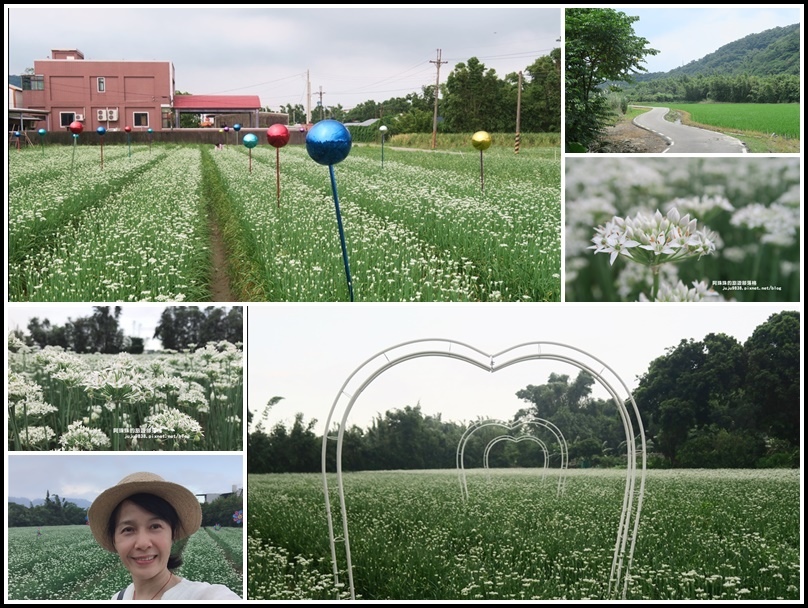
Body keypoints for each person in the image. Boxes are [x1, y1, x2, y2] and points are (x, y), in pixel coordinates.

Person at [87, 472, 242, 601]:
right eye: (128, 529)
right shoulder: (117, 599)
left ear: (172, 533)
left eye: (155, 526)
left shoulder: (206, 597)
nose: (142, 543)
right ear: (114, 540)